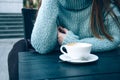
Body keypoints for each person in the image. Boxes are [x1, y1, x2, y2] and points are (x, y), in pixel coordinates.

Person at [8, 0, 120, 80]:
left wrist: (72, 43)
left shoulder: (105, 4)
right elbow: (41, 45)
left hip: (99, 72)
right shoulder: (53, 4)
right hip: (55, 70)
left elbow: (114, 38)